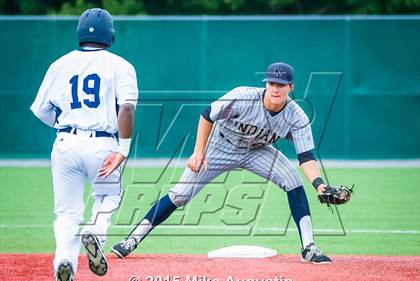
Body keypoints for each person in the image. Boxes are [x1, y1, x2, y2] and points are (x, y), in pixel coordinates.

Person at [112, 62, 331, 264]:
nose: (275, 88)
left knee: (292, 180)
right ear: (266, 83)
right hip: (220, 145)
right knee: (180, 195)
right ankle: (131, 240)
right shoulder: (243, 96)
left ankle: (309, 247)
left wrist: (320, 185)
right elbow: (208, 115)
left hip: (258, 151)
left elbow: (306, 157)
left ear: (291, 87)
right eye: (272, 83)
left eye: (281, 84)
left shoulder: (297, 116)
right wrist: (198, 152)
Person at [30, 8, 138, 281]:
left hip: (66, 142)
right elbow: (126, 107)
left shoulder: (59, 64)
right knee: (109, 197)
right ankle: (96, 234)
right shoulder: (121, 65)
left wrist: (65, 125)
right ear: (110, 34)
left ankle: (64, 261)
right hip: (103, 143)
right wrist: (123, 149)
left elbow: (40, 109)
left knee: (66, 213)